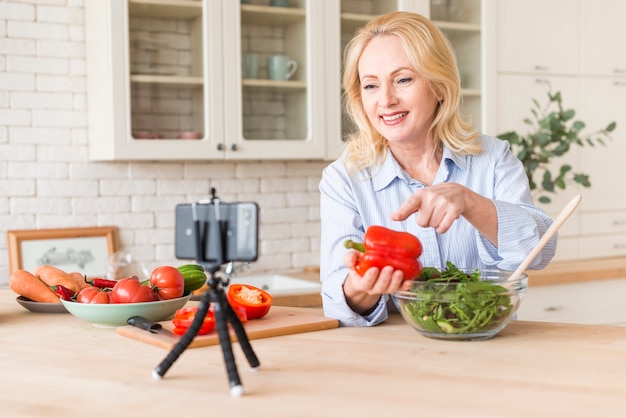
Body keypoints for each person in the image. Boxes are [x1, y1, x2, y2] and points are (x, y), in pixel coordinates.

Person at [319, 11, 556, 327]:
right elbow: (336, 306)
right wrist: (361, 289)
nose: (386, 100)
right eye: (371, 85)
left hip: (485, 343)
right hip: (397, 356)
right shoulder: (344, 179)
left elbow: (540, 249)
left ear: (440, 86)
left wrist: (471, 202)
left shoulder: (494, 158)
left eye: (403, 79)